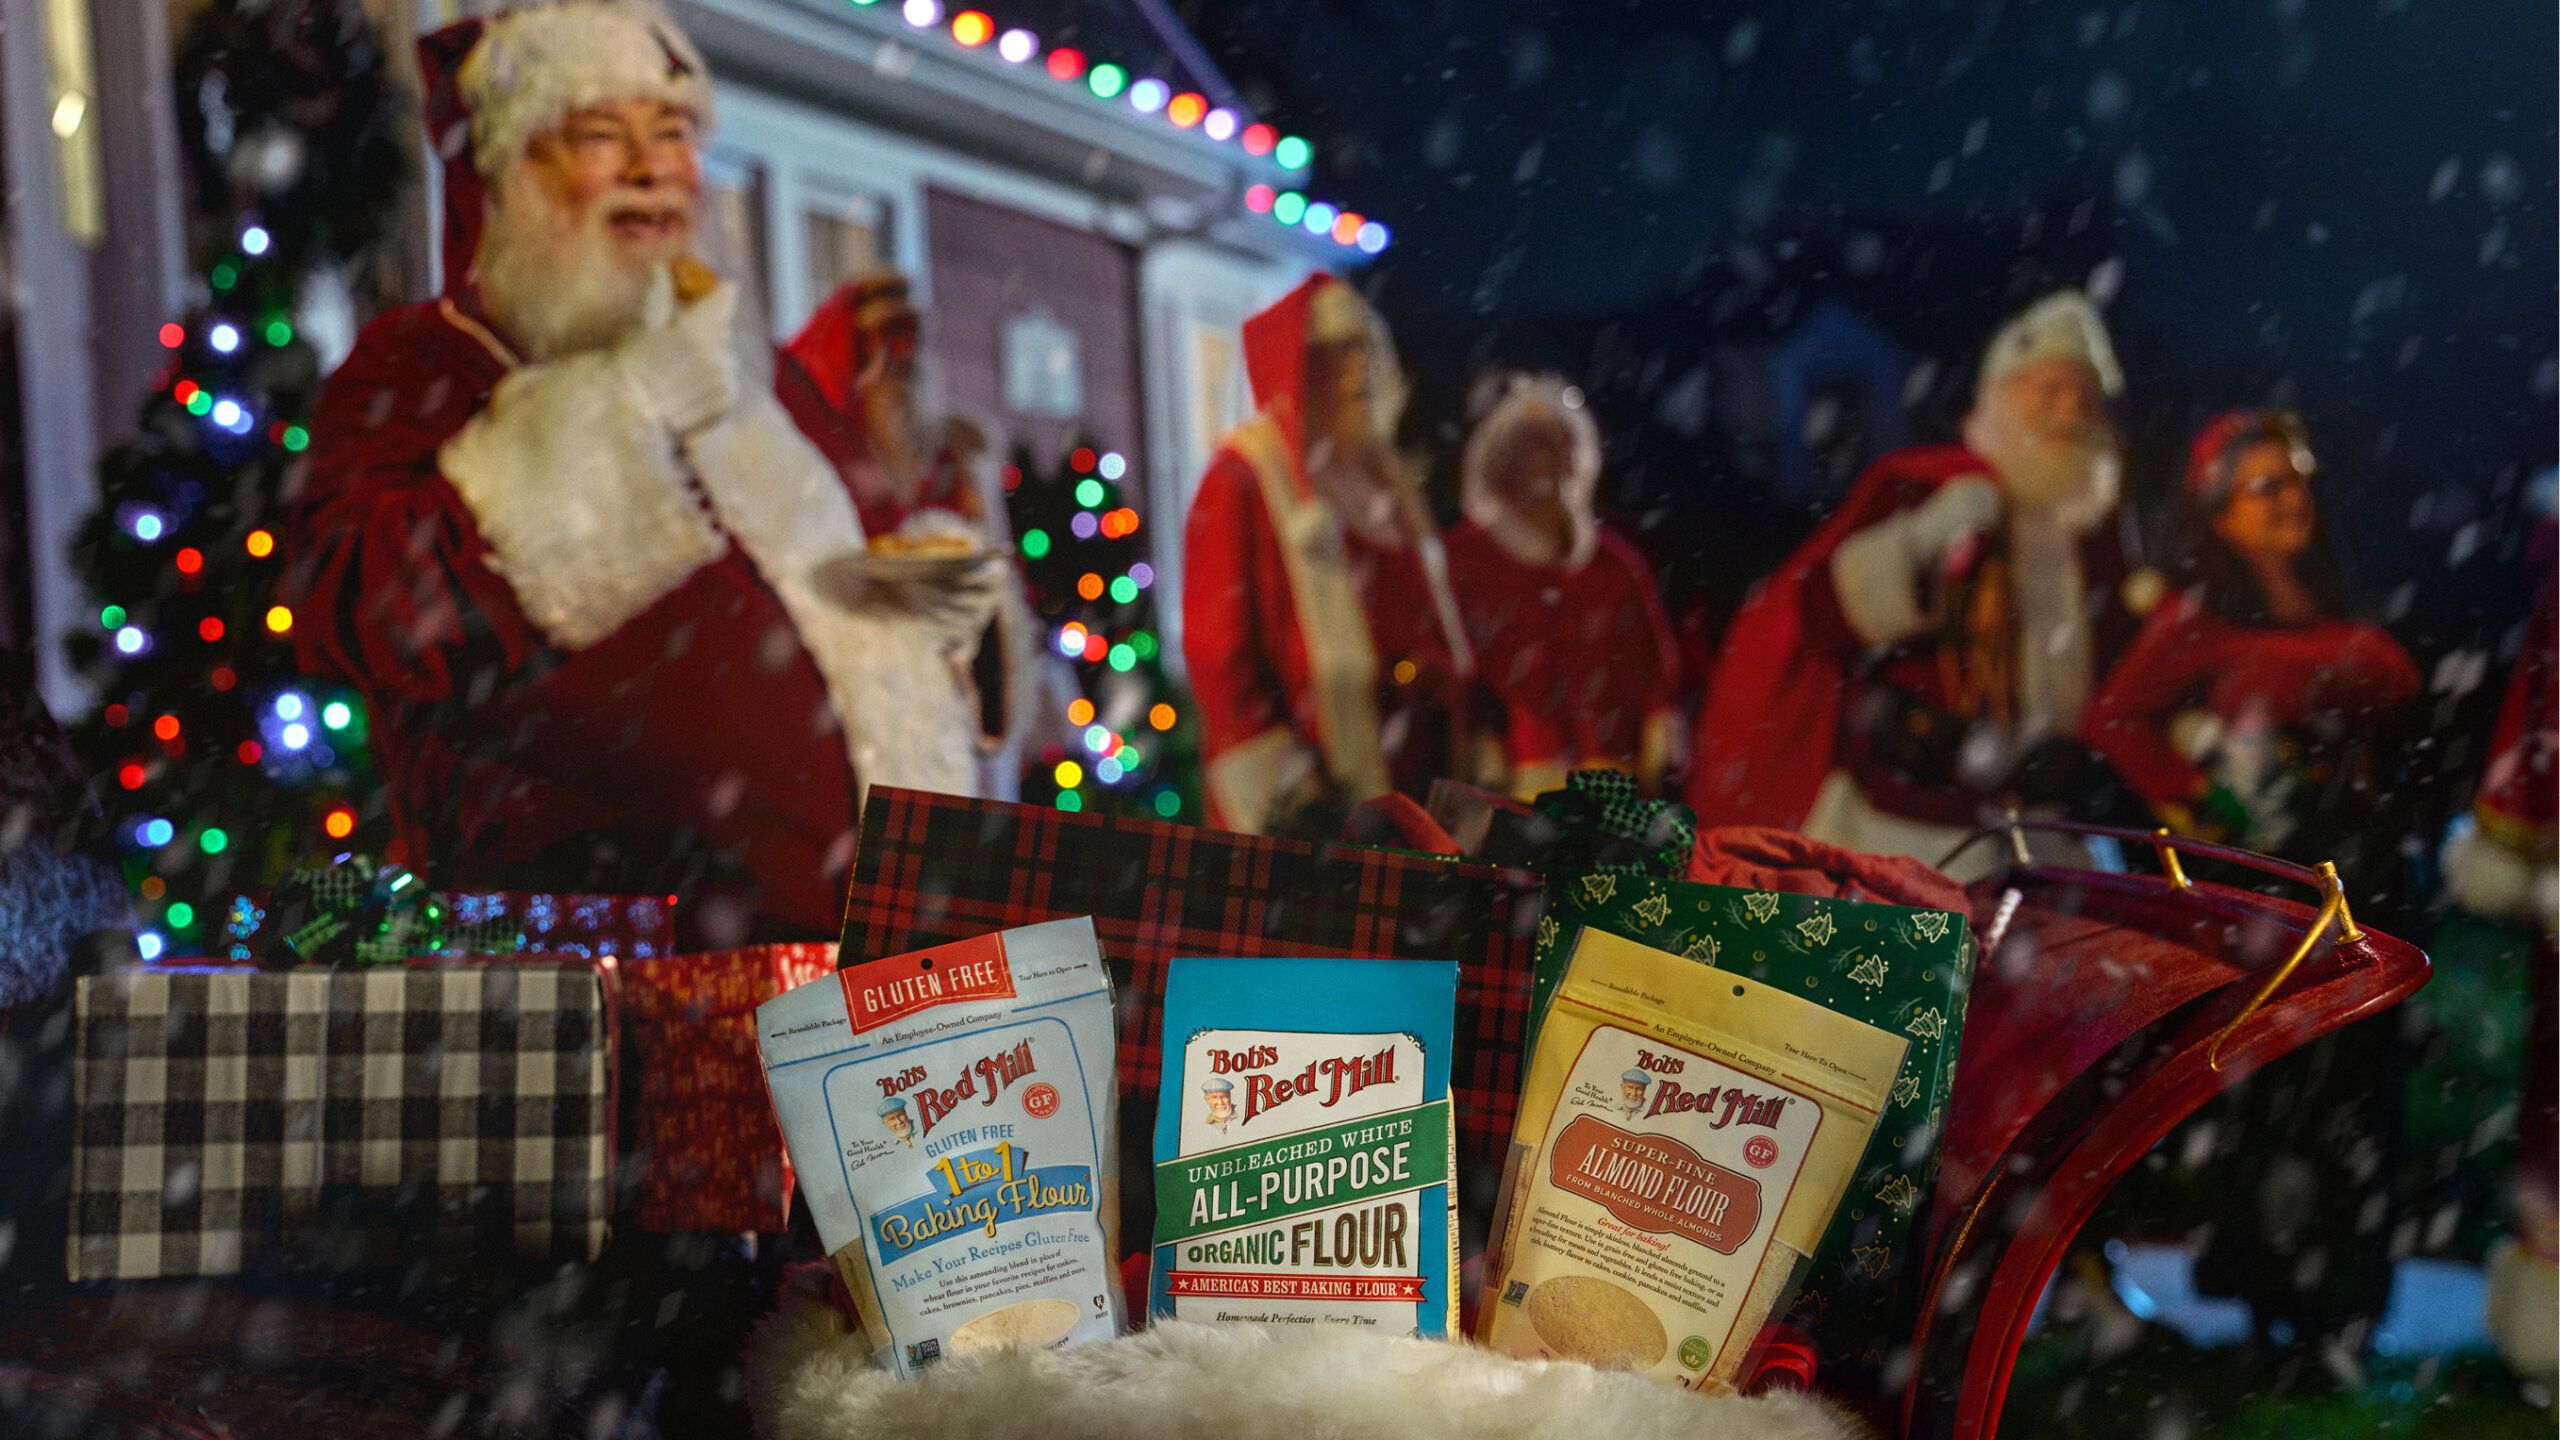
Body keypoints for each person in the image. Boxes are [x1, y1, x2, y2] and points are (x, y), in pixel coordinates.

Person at [286, 0, 999, 945]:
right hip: (607, 986)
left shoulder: (753, 372)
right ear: (510, 172)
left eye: (672, 134)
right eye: (599, 136)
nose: (650, 168)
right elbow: (362, 608)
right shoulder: (425, 367)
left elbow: (871, 559)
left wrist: (943, 604)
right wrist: (616, 413)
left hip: (857, 981)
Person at [1688, 289, 2140, 878]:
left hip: (2034, 832)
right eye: (2048, 389)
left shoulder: (2096, 536)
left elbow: (2128, 675)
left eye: (2084, 395)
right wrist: (1928, 538)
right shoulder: (1924, 487)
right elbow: (1821, 612)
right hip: (1903, 828)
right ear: (2000, 397)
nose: (2068, 411)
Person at [1181, 275, 1472, 835]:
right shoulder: (1245, 477)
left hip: (1418, 786)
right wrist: (1292, 798)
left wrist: (1436, 677)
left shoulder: (1386, 478)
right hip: (1320, 804)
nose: (1357, 373)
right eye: (1333, 357)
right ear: (1296, 368)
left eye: (1363, 352)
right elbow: (1219, 654)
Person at [2080, 409, 2420, 852]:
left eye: (2300, 482)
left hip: (2366, 851)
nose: (2295, 502)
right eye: (2268, 489)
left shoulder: (2330, 601)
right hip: (2278, 872)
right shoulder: (2198, 618)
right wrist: (2203, 800)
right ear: (2219, 513)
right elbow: (2111, 718)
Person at [786, 268, 1059, 797]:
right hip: (871, 694)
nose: (900, 365)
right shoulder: (829, 458)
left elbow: (997, 584)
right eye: (884, 348)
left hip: (960, 689)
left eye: (910, 345)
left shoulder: (954, 462)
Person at [1442, 375, 1681, 800]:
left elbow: (1656, 679)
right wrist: (1487, 759)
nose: (1553, 464)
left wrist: (1660, 753)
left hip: (1614, 791)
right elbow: (1461, 678)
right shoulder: (1467, 560)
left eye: (1562, 445)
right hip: (1517, 794)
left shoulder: (1614, 565)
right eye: (1535, 448)